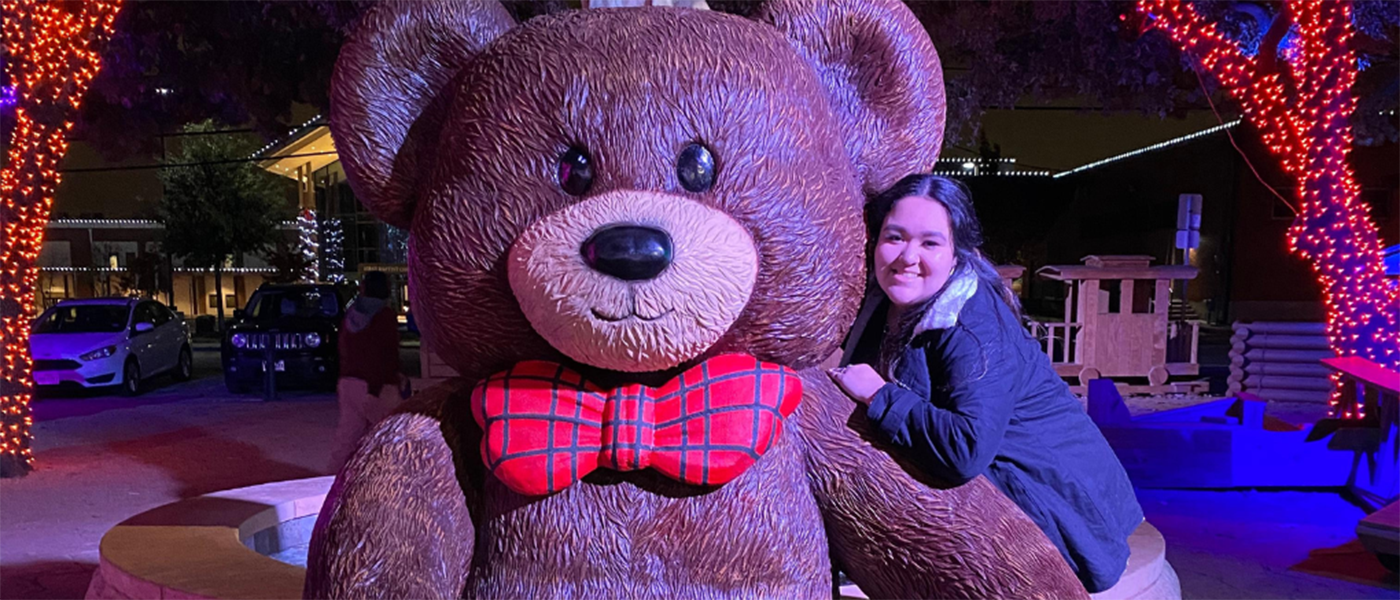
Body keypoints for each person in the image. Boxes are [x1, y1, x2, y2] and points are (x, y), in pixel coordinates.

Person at [828, 174, 1144, 593]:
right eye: (895, 237)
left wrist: (880, 395)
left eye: (930, 243)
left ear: (958, 252)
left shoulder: (972, 326)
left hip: (1051, 508)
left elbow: (966, 449)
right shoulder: (884, 301)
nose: (907, 256)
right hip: (987, 490)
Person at [329, 271, 408, 472]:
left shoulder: (350, 316)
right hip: (377, 385)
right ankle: (391, 480)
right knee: (392, 433)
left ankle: (332, 480)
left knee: (347, 437)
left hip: (349, 382)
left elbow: (344, 349)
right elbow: (386, 353)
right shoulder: (384, 316)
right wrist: (379, 387)